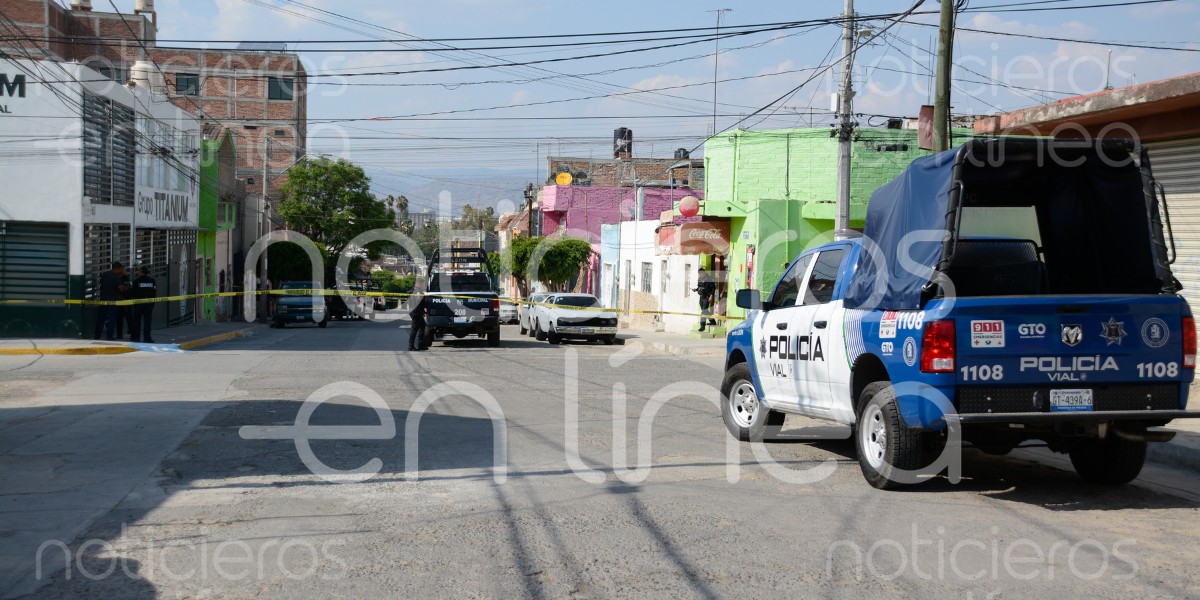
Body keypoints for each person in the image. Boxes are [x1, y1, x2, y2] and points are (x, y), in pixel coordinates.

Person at [93, 262, 126, 340]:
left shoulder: (105, 274)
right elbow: (121, 288)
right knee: (112, 319)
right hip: (112, 301)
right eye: (121, 269)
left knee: (101, 319)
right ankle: (109, 336)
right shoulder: (116, 277)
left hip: (103, 300)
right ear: (117, 269)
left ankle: (97, 336)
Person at [130, 265, 158, 343]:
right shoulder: (152, 281)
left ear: (141, 272)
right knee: (147, 321)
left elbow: (132, 292)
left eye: (138, 271)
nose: (137, 273)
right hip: (149, 304)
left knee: (137, 321)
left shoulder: (136, 281)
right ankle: (147, 338)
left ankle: (136, 337)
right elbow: (154, 292)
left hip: (138, 303)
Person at [693, 267, 718, 332]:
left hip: (707, 296)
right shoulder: (700, 279)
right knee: (705, 310)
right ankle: (712, 321)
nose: (700, 275)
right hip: (701, 296)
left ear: (703, 272)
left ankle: (702, 326)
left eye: (700, 273)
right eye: (699, 274)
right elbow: (699, 287)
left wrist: (711, 296)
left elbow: (713, 288)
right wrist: (695, 289)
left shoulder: (709, 279)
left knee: (704, 311)